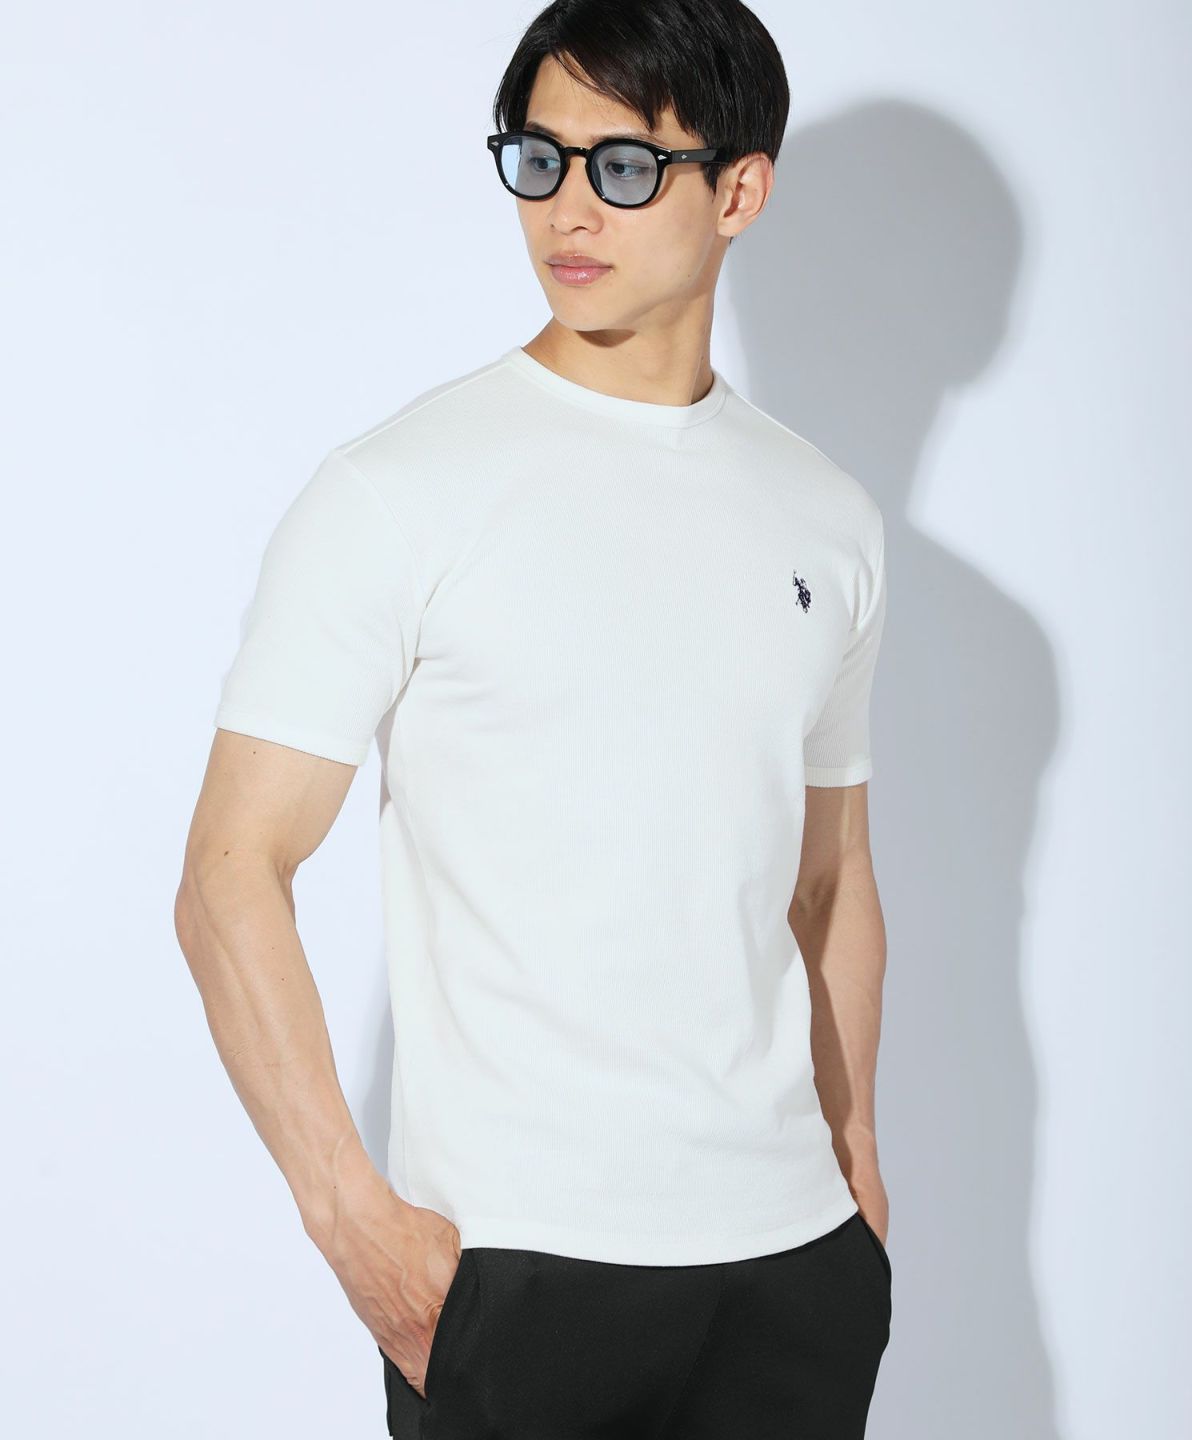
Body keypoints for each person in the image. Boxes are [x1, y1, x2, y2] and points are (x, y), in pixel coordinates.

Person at [174, 1, 893, 1435]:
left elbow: (830, 877)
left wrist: (856, 1162)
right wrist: (351, 1220)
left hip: (791, 1263)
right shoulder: (400, 491)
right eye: (538, 159)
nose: (568, 209)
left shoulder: (826, 514)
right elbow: (229, 873)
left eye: (623, 167)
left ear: (739, 190)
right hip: (518, 1269)